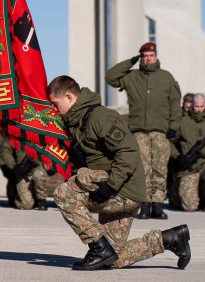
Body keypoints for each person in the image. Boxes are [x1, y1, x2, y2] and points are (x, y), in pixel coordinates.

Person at [48, 75, 190, 271]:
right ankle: (170, 239)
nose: (54, 109)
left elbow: (129, 151)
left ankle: (99, 247)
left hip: (121, 190)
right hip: (116, 189)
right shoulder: (75, 122)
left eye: (55, 104)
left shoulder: (100, 117)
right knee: (113, 258)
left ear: (69, 98)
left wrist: (110, 186)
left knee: (63, 194)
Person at [105, 42, 181, 220]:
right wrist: (131, 61)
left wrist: (173, 127)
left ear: (156, 56)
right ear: (141, 58)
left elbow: (175, 104)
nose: (148, 59)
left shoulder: (166, 77)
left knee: (160, 168)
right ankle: (145, 204)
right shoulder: (132, 77)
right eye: (145, 56)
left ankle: (158, 205)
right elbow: (110, 77)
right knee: (143, 169)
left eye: (151, 55)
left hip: (160, 131)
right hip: (138, 130)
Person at [173, 93, 205, 212]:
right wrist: (178, 156)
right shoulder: (181, 122)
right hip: (188, 167)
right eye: (196, 106)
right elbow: (169, 142)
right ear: (191, 105)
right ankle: (175, 196)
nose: (199, 109)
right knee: (189, 207)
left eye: (202, 106)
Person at [8, 145, 49, 210]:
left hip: (37, 168)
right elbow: (6, 151)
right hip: (23, 172)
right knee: (26, 205)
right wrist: (13, 166)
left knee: (39, 174)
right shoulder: (16, 140)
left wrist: (48, 167)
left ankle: (41, 200)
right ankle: (15, 197)